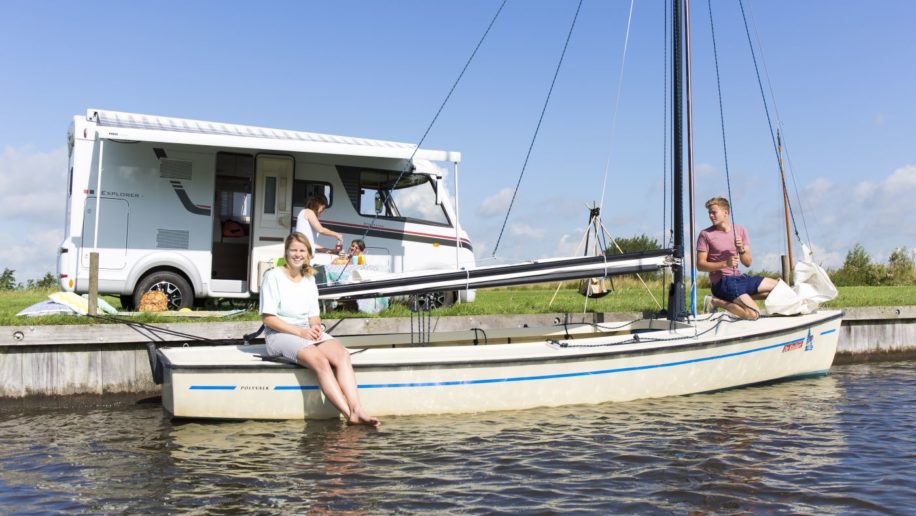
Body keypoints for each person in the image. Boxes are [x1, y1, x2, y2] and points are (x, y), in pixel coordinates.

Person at [260, 232, 380, 427]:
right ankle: (350, 415)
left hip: (306, 330)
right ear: (286, 252)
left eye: (302, 251)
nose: (297, 255)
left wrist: (315, 327)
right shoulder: (273, 276)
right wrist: (301, 333)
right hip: (279, 334)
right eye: (293, 250)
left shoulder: (309, 279)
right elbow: (268, 318)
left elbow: (314, 316)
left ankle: (358, 408)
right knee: (321, 361)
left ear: (308, 254)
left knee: (342, 355)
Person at [696, 196, 777, 320]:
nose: (711, 216)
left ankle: (735, 300)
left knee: (779, 288)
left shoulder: (740, 230)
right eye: (709, 213)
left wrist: (741, 249)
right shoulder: (705, 234)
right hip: (723, 282)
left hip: (740, 278)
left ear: (725, 213)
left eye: (714, 212)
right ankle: (715, 301)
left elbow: (748, 263)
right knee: (753, 314)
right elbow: (700, 265)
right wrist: (724, 264)